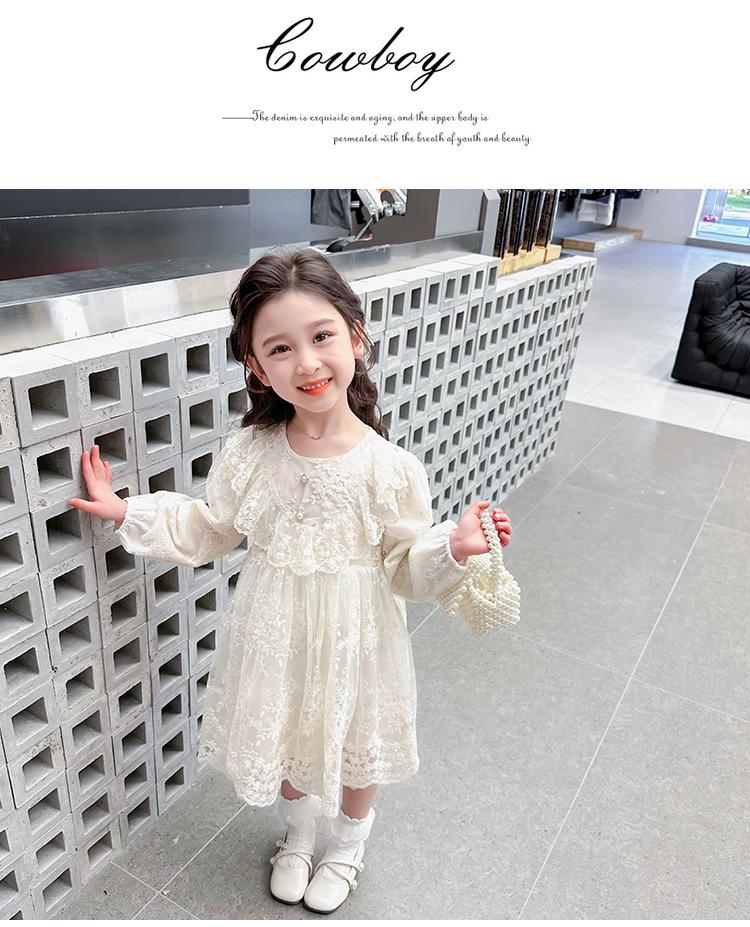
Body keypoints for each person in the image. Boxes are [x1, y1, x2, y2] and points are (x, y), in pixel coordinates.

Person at [69, 247, 513, 915]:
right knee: (285, 733)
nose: (306, 362)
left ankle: (348, 847)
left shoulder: (390, 467)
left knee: (358, 742)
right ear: (256, 366)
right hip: (276, 629)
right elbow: (209, 527)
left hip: (358, 635)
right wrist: (126, 510)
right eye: (280, 348)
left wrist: (453, 546)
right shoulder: (251, 453)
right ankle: (300, 837)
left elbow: (403, 567)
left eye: (321, 336)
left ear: (355, 337)